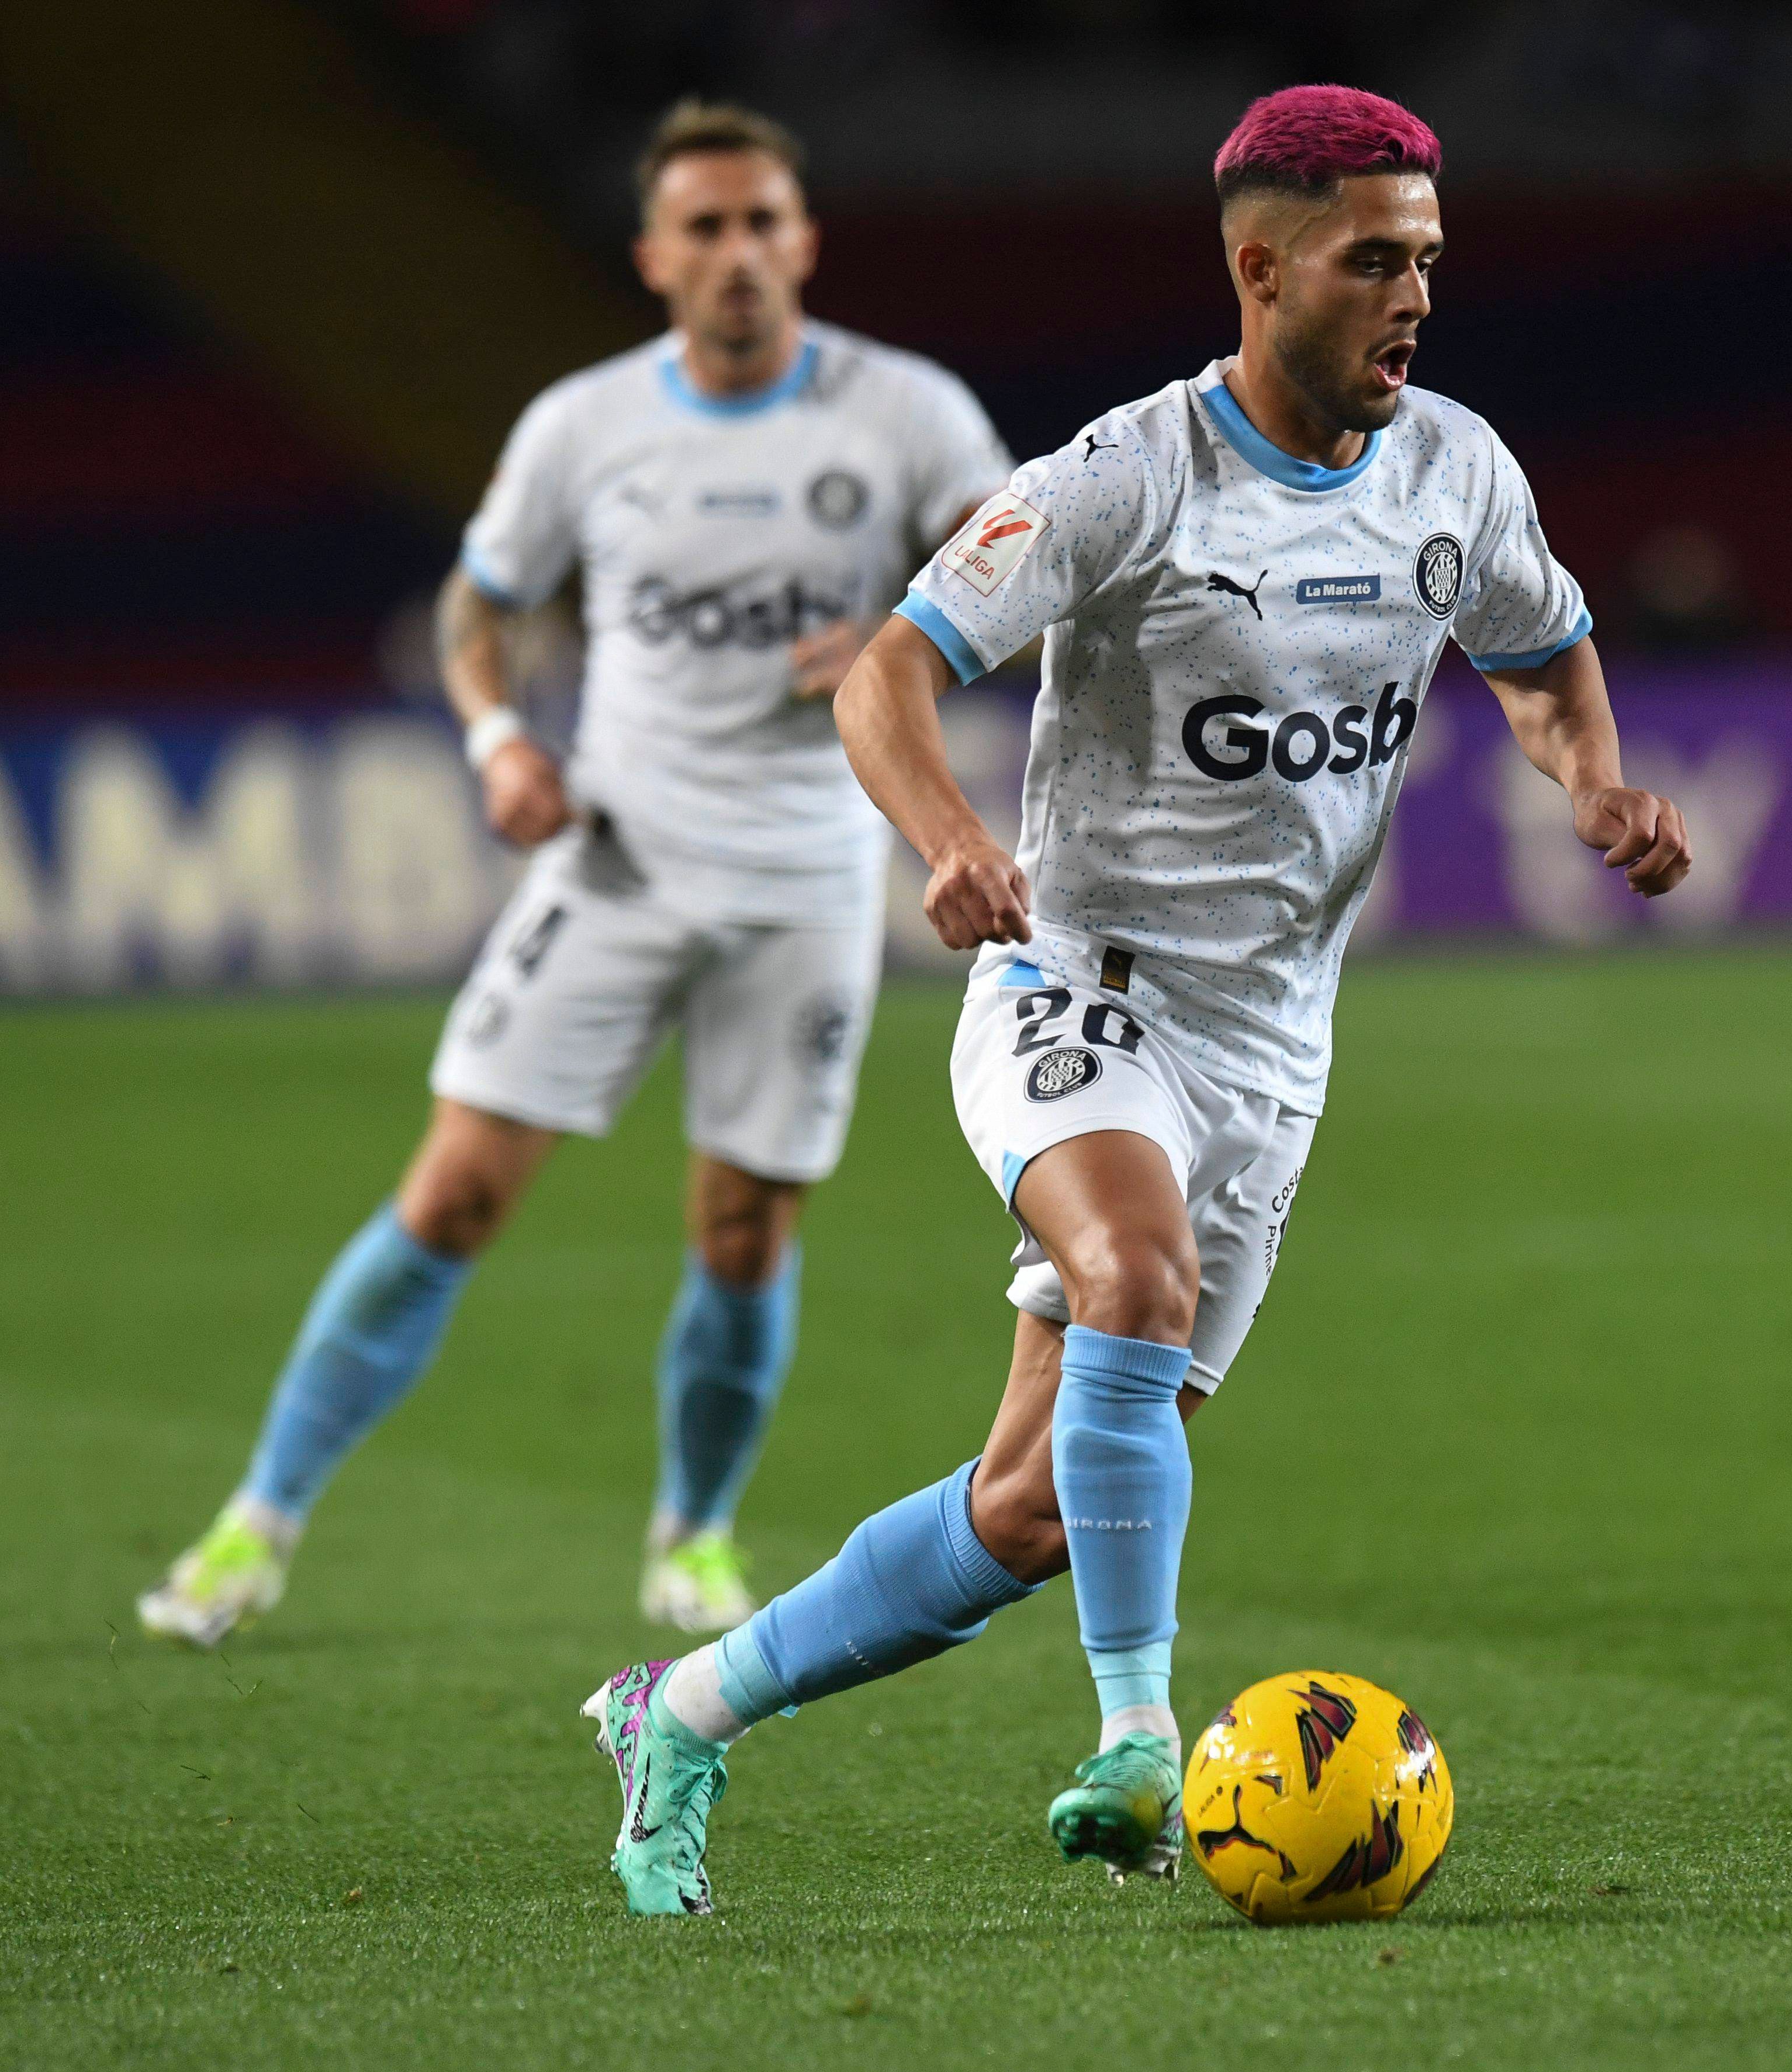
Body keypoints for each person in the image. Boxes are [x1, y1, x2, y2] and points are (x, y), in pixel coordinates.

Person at [575, 83, 1694, 1916]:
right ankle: (1135, 1736)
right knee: (1134, 1278)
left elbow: (1545, 649)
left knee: (1027, 1510)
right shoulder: (1126, 478)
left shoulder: (1457, 474)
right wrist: (944, 839)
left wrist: (1591, 781)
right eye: (1372, 263)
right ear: (1261, 268)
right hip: (1078, 989)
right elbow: (886, 676)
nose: (1414, 297)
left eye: (1428, 261)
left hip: (1276, 1047)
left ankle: (680, 1710)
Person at [136, 100, 1012, 1648]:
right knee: (456, 1191)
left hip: (810, 874)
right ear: (654, 257)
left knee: (744, 1230)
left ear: (804, 240)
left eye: (764, 223)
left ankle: (696, 1535)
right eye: (707, 228)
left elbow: (1021, 579)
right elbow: (479, 617)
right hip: (618, 859)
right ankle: (253, 1524)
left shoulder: (909, 413)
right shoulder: (584, 427)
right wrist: (495, 745)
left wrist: (900, 630)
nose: (738, 253)